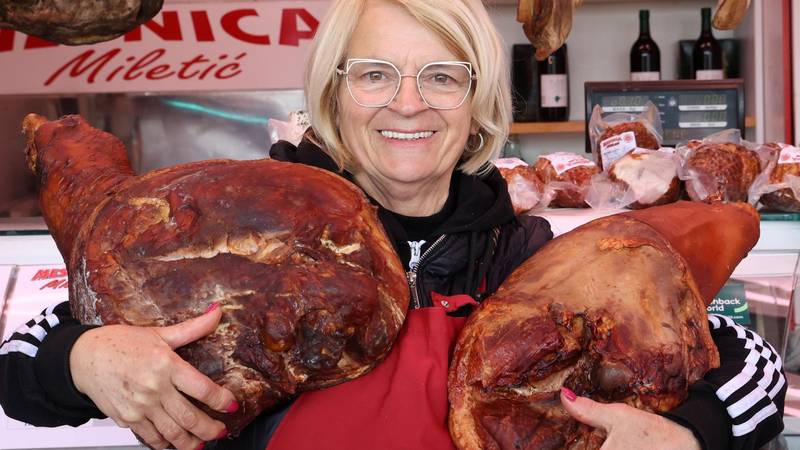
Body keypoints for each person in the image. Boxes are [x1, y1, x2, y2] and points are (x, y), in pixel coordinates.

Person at [0, 0, 787, 449]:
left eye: (440, 77)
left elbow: (751, 364)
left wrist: (692, 436)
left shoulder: (528, 255)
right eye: (375, 75)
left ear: (477, 100)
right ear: (335, 93)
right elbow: (19, 364)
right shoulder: (234, 240)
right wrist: (87, 357)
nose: (407, 103)